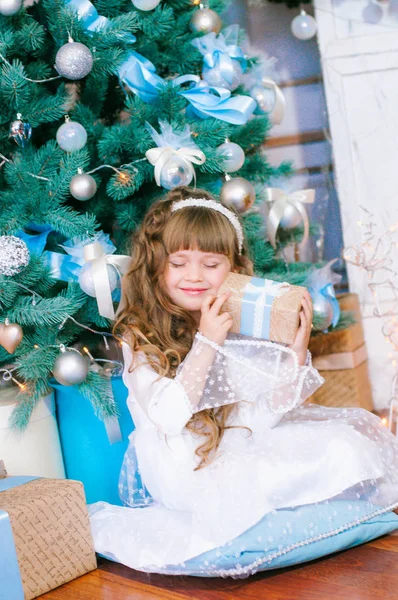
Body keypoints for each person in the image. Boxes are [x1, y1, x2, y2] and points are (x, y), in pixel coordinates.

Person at [89, 186, 398, 578]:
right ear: (157, 266)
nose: (194, 276)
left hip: (235, 443)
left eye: (211, 263)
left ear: (232, 268)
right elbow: (167, 418)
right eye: (179, 263)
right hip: (183, 466)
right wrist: (207, 342)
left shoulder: (238, 320)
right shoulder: (139, 335)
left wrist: (296, 354)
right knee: (237, 492)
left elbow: (261, 417)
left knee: (345, 444)